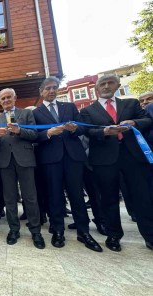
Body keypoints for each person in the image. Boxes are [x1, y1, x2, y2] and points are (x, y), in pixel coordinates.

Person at [80, 74, 153, 252]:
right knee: (108, 198)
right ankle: (113, 235)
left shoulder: (130, 104)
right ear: (97, 89)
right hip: (104, 160)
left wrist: (134, 122)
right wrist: (104, 132)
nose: (106, 86)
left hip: (132, 158)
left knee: (142, 197)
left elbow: (148, 120)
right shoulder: (88, 111)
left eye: (109, 83)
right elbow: (88, 131)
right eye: (102, 84)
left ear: (117, 85)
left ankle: (150, 236)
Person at [32, 77, 102, 252]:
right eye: (48, 88)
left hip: (72, 157)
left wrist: (74, 129)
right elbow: (33, 136)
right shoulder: (36, 112)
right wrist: (48, 132)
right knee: (54, 196)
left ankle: (83, 231)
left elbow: (82, 128)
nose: (52, 91)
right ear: (41, 92)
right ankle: (58, 230)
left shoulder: (69, 107)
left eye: (54, 87)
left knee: (76, 195)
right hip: (50, 159)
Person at [0, 88, 45, 249]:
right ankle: (14, 229)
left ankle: (36, 231)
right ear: (0, 101)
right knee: (10, 198)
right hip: (5, 161)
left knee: (30, 197)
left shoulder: (26, 114)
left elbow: (35, 135)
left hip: (25, 159)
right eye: (2, 98)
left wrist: (19, 130)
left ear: (15, 98)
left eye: (8, 97)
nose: (6, 100)